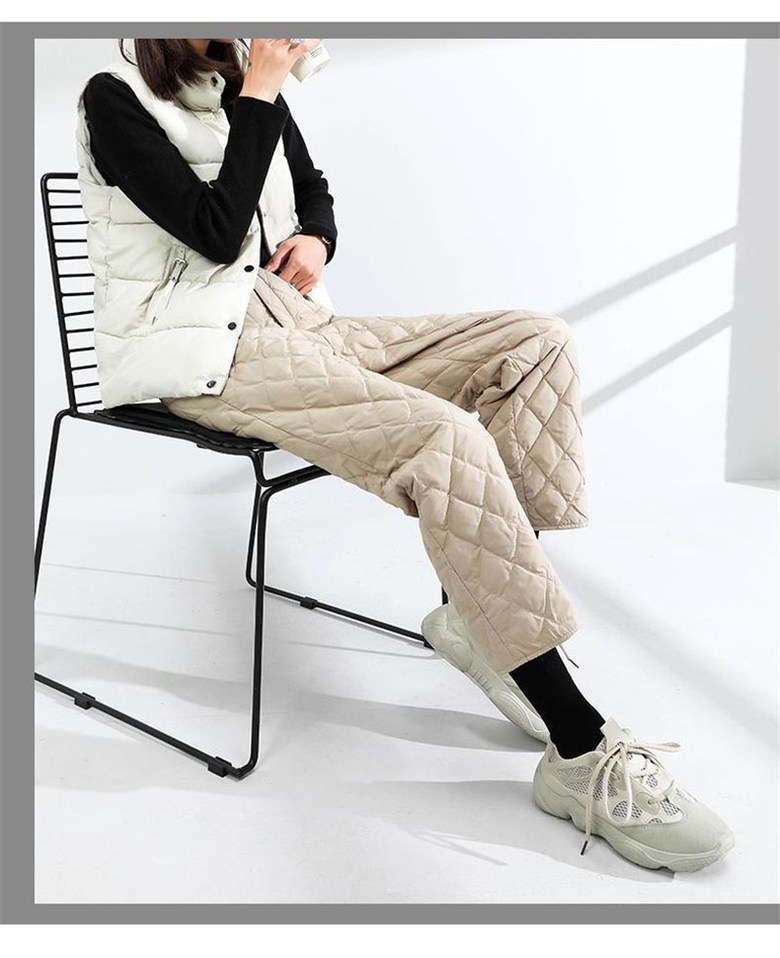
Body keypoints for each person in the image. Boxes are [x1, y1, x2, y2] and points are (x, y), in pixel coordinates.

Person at [75, 36, 734, 873]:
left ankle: (476, 616)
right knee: (445, 435)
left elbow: (312, 192)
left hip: (301, 327)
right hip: (200, 355)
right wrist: (263, 91)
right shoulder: (114, 97)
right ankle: (579, 750)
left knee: (535, 340)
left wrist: (317, 239)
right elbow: (213, 232)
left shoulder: (247, 82)